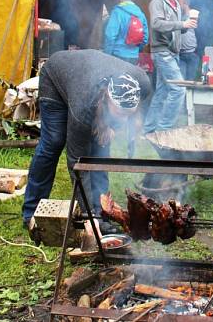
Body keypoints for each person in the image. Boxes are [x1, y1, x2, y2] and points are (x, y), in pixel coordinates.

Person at [22, 50, 151, 231]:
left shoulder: (142, 84)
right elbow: (77, 164)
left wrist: (112, 126)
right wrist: (87, 214)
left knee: (100, 149)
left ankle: (101, 213)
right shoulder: (83, 108)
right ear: (107, 100)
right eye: (119, 114)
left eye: (128, 115)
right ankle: (31, 213)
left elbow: (132, 112)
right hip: (56, 76)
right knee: (53, 142)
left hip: (85, 75)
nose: (123, 120)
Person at [143, 0, 198, 133]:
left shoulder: (174, 3)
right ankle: (164, 129)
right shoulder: (158, 1)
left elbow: (174, 29)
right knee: (178, 89)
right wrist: (182, 24)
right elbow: (157, 24)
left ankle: (149, 130)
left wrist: (186, 27)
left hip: (173, 52)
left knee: (162, 91)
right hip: (162, 51)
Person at [103, 0, 148, 65]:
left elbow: (110, 35)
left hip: (118, 55)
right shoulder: (141, 14)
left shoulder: (117, 12)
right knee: (129, 77)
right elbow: (145, 38)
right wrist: (136, 50)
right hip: (134, 56)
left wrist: (107, 54)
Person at [177, 0, 199, 81]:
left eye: (179, 3)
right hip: (180, 54)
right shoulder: (179, 17)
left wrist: (198, 51)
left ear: (185, 3)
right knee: (181, 82)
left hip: (192, 54)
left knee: (190, 83)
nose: (177, 5)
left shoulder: (195, 16)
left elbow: (201, 34)